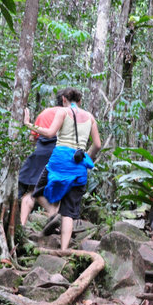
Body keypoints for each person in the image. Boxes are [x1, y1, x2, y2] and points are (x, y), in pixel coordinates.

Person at [24, 88, 101, 249]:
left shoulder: (63, 112)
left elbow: (50, 133)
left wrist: (29, 124)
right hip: (79, 164)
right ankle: (64, 250)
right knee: (69, 211)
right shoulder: (90, 117)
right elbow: (98, 145)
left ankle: (52, 212)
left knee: (37, 190)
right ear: (79, 101)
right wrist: (86, 156)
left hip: (59, 160)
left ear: (64, 99)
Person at [18, 91, 64, 226]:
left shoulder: (44, 113)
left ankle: (22, 225)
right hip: (59, 154)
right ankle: (54, 216)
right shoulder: (69, 115)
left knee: (32, 191)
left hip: (40, 153)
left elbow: (32, 138)